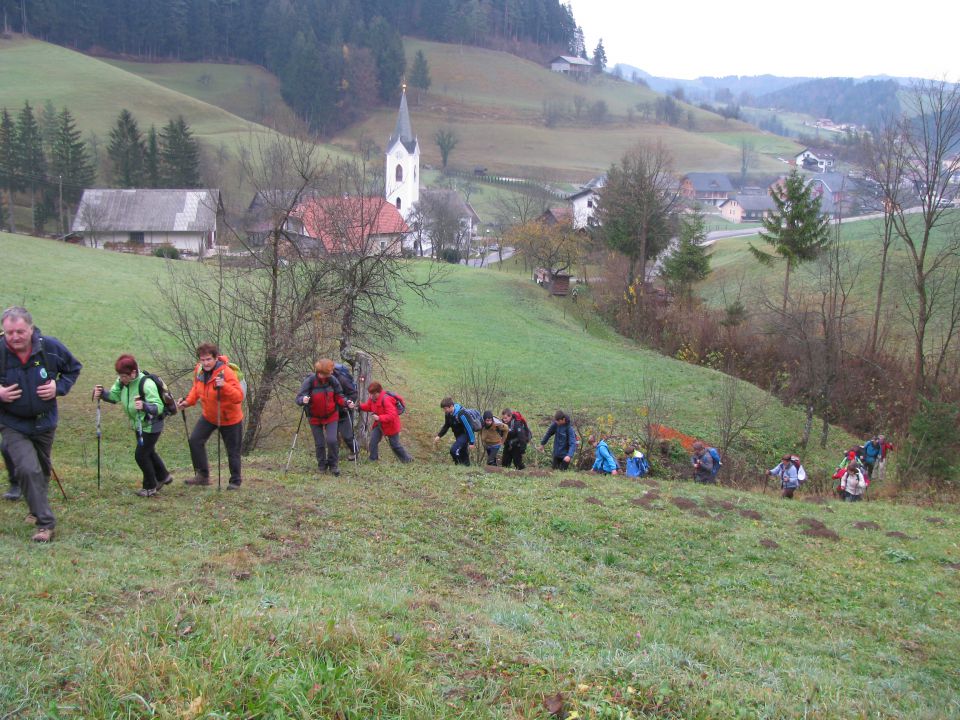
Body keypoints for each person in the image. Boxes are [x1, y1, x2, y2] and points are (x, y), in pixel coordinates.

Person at [0, 306, 82, 542]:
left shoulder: (50, 348)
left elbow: (74, 369)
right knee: (27, 468)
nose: (15, 337)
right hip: (12, 422)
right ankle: (46, 524)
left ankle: (35, 509)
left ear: (31, 329)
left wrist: (59, 387)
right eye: (9, 332)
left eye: (20, 331)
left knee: (42, 469)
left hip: (45, 421)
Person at [94, 354, 172, 497]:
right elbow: (114, 397)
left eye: (124, 376)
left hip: (152, 424)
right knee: (149, 452)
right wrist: (102, 393)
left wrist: (144, 405)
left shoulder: (146, 384)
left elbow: (158, 407)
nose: (121, 379)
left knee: (141, 455)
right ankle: (164, 476)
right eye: (120, 375)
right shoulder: (122, 382)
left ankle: (150, 486)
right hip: (139, 424)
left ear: (134, 372)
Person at [177, 342, 244, 489]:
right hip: (209, 416)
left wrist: (224, 386)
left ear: (215, 358)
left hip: (229, 418)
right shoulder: (199, 370)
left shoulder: (226, 373)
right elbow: (196, 388)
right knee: (195, 440)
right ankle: (203, 476)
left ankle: (235, 482)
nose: (205, 363)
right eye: (203, 359)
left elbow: (239, 396)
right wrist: (188, 402)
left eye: (208, 359)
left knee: (232, 451)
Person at [296, 359, 355, 477]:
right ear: (322, 372)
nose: (333, 372)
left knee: (332, 440)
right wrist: (303, 400)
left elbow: (339, 396)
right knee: (320, 443)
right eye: (330, 370)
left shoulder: (333, 380)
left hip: (331, 415)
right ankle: (322, 466)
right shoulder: (310, 381)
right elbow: (299, 398)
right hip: (314, 417)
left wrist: (346, 402)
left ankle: (334, 465)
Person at [357, 382, 411, 463]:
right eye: (370, 394)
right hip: (379, 425)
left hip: (391, 426)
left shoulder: (386, 400)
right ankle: (373, 459)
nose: (371, 396)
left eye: (373, 394)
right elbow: (369, 406)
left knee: (395, 445)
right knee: (373, 441)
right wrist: (359, 406)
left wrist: (379, 417)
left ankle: (407, 460)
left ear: (378, 392)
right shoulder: (373, 398)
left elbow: (392, 415)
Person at [434, 397, 476, 466]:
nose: (444, 410)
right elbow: (446, 425)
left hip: (465, 435)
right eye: (443, 409)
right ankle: (466, 467)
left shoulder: (461, 414)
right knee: (463, 452)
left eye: (445, 408)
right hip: (458, 435)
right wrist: (439, 435)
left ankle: (458, 465)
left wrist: (472, 442)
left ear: (451, 406)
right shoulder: (448, 414)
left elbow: (469, 428)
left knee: (453, 450)